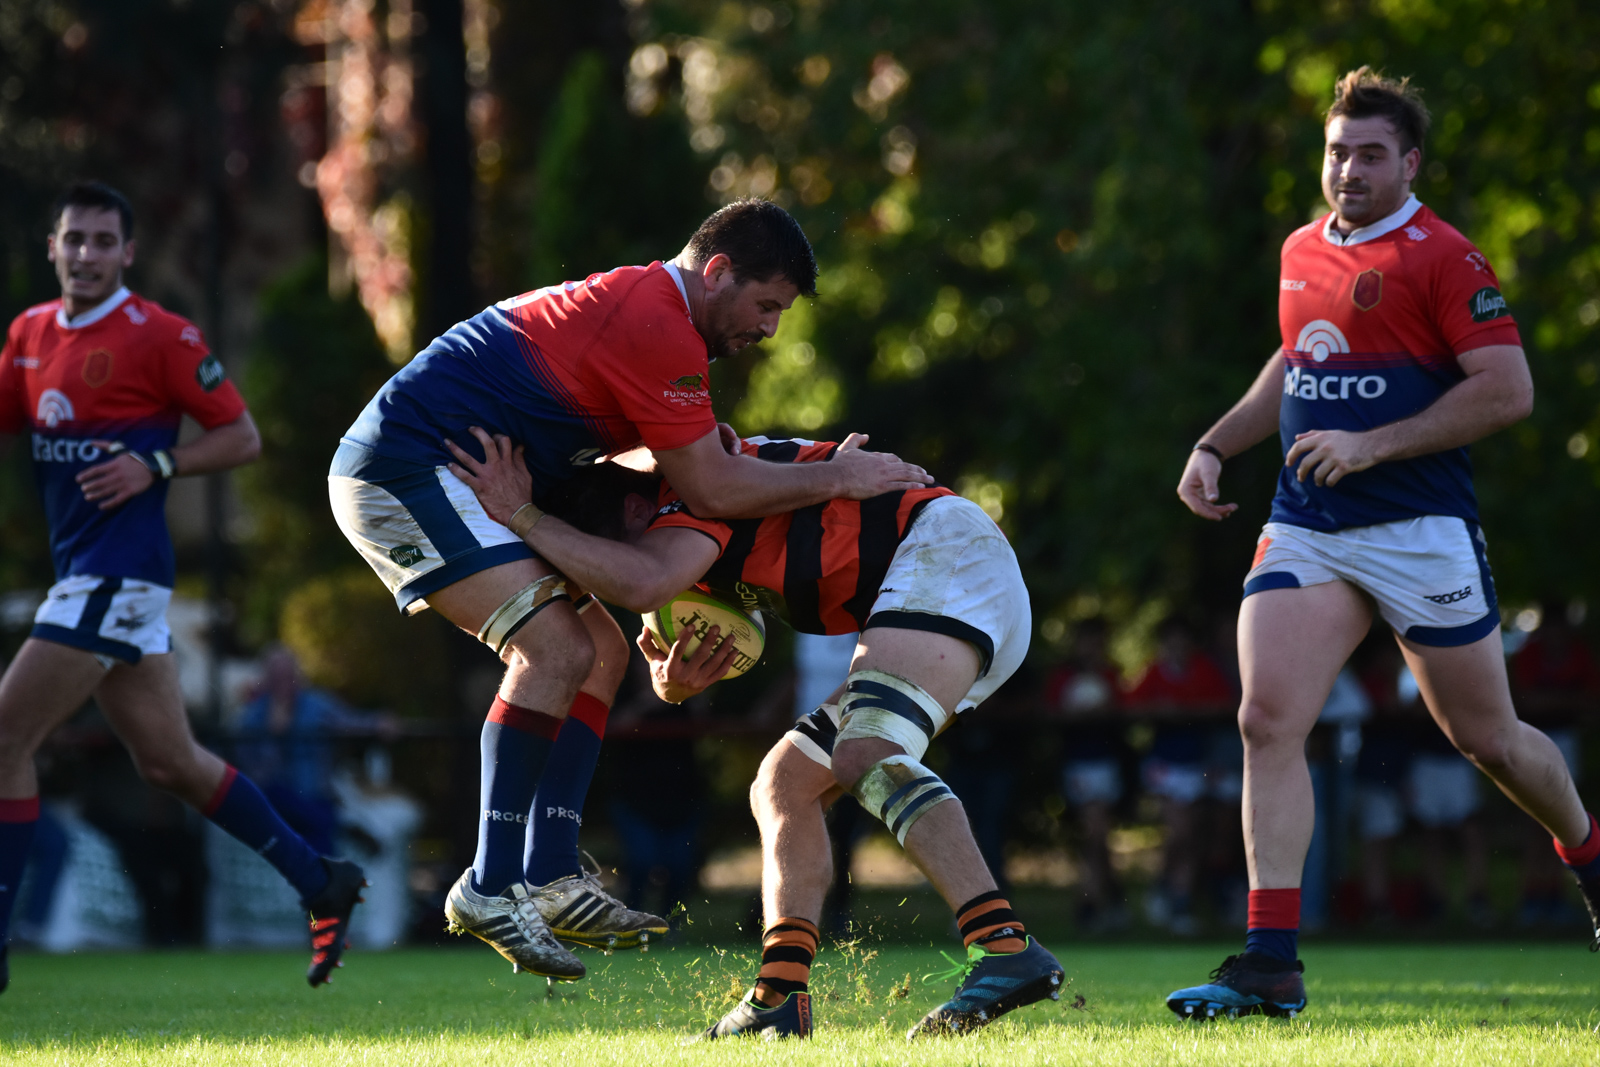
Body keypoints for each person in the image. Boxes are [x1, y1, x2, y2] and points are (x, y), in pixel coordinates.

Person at [329, 199, 932, 980]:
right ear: (716, 272)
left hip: (466, 471)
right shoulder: (658, 322)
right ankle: (488, 881)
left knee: (601, 657)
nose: (771, 327)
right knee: (554, 647)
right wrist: (838, 475)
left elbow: (674, 477)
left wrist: (665, 613)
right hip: (404, 468)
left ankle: (548, 874)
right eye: (766, 304)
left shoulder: (657, 316)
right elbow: (711, 488)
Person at [1168, 68, 1600, 1020]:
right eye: (1337, 152)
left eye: (1370, 154)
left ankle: (1588, 852)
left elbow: (1508, 390)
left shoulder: (1446, 256)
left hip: (1419, 532)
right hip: (1308, 524)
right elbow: (1295, 359)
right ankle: (1271, 960)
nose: (1349, 170)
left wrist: (1371, 444)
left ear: (1409, 162)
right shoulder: (1299, 249)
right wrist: (1215, 443)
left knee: (1485, 739)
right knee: (1265, 719)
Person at [443, 429, 1064, 1039]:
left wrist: (521, 516)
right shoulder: (666, 533)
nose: (610, 583)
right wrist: (672, 684)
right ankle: (779, 996)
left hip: (943, 553)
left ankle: (1005, 947)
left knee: (866, 753)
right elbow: (671, 656)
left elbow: (641, 571)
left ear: (637, 507)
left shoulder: (686, 489)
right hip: (941, 580)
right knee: (784, 784)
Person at [0, 182, 365, 991]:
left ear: (128, 253)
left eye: (103, 241)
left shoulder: (159, 336)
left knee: (4, 738)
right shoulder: (27, 334)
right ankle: (321, 879)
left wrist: (157, 461)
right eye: (74, 240)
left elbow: (243, 435)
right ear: (53, 247)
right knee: (170, 762)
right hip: (85, 579)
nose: (87, 254)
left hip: (119, 578)